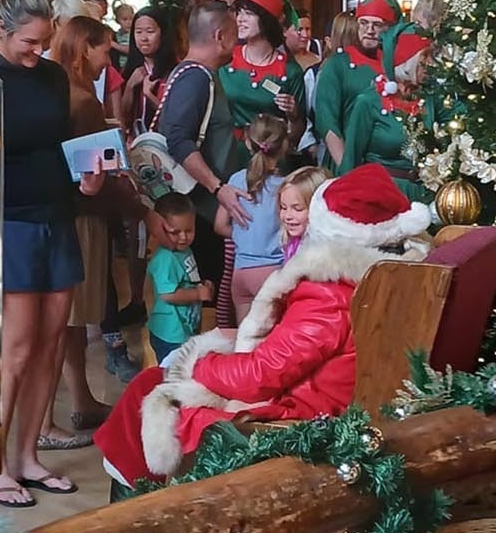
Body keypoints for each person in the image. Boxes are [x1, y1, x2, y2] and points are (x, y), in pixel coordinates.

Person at [94, 162, 431, 486]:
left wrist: (200, 362)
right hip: (321, 400)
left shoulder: (331, 294)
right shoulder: (383, 279)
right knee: (157, 380)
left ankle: (138, 513)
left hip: (295, 417)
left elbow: (261, 375)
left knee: (151, 388)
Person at [0, 0, 105, 508]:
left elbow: (63, 146)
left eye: (43, 42)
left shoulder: (48, 76)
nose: (36, 52)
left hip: (57, 214)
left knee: (50, 341)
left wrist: (85, 180)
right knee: (17, 349)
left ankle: (26, 457)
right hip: (12, 223)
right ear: (3, 30)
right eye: (28, 42)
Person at [52, 15, 129, 440]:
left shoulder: (61, 87)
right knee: (72, 314)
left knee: (75, 319)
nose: (108, 57)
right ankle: (72, 403)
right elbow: (96, 172)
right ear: (85, 48)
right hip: (83, 215)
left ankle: (80, 398)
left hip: (69, 211)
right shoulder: (81, 99)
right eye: (104, 48)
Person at [154, 1, 246, 305]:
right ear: (219, 36)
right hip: (203, 212)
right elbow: (178, 140)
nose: (239, 40)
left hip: (205, 208)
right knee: (210, 300)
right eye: (235, 34)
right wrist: (217, 188)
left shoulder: (195, 74)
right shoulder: (196, 78)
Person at [339, 22, 437, 201]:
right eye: (422, 62)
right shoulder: (369, 102)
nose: (429, 68)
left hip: (422, 194)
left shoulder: (429, 100)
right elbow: (351, 159)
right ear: (405, 65)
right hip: (381, 193)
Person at [314, 0, 403, 170]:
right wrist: (348, 170)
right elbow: (327, 122)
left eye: (377, 24)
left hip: (394, 167)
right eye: (364, 23)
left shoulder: (401, 67)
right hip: (348, 161)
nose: (369, 30)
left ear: (392, 28)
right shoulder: (338, 64)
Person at [221, 0, 307, 165]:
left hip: (272, 162)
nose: (240, 19)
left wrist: (293, 114)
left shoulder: (290, 72)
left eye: (249, 14)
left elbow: (298, 133)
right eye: (240, 12)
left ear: (268, 20)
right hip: (228, 155)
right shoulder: (225, 59)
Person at [216, 115, 290, 324]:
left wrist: (245, 232)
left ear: (248, 142)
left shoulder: (235, 180)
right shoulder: (286, 187)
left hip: (240, 274)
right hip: (271, 273)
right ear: (284, 146)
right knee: (273, 343)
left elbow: (219, 226)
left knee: (246, 343)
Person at [146, 193, 208, 366]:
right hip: (170, 334)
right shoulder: (167, 258)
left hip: (184, 329)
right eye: (175, 232)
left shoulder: (183, 250)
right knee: (172, 376)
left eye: (189, 230)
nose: (183, 237)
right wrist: (198, 293)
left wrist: (201, 286)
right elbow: (168, 294)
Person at [122, 6, 178, 131]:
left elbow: (177, 120)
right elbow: (123, 118)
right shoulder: (130, 69)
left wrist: (149, 96)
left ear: (163, 33)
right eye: (138, 32)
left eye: (150, 31)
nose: (144, 38)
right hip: (137, 144)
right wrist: (130, 86)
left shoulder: (176, 71)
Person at [285, 11, 324, 160]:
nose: (305, 34)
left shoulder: (316, 60)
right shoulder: (283, 63)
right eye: (299, 29)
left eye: (308, 29)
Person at [277, 167, 329, 262]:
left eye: (297, 209)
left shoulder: (325, 254)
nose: (287, 216)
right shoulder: (292, 245)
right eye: (283, 207)